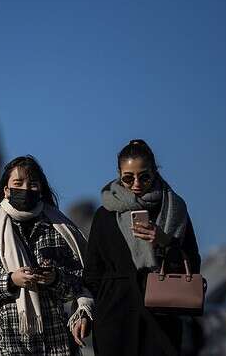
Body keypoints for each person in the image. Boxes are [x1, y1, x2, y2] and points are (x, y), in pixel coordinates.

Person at [0, 156, 93, 355]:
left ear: (40, 189)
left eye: (32, 184)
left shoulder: (58, 231)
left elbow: (80, 283)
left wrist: (55, 278)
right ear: (6, 190)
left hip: (52, 342)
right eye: (18, 183)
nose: (25, 189)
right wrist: (11, 280)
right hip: (2, 341)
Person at [83, 139, 201, 356]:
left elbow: (192, 264)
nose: (136, 183)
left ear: (155, 172)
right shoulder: (105, 214)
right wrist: (95, 307)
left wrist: (165, 241)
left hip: (161, 317)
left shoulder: (175, 209)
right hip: (115, 318)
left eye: (144, 176)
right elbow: (92, 272)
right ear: (119, 175)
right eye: (128, 178)